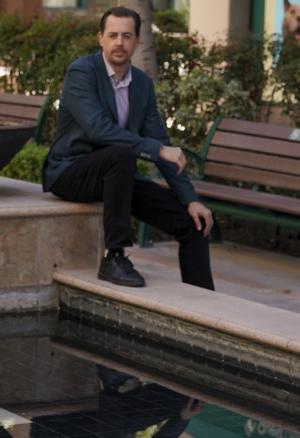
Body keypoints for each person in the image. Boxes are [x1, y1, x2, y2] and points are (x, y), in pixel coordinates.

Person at [42, 6, 215, 290]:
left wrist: (190, 199)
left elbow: (159, 139)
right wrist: (156, 150)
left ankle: (205, 300)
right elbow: (98, 128)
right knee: (122, 155)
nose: (119, 42)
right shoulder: (82, 72)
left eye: (126, 36)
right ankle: (115, 257)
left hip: (117, 176)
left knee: (193, 223)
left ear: (136, 41)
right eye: (112, 35)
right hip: (71, 171)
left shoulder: (142, 84)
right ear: (100, 38)